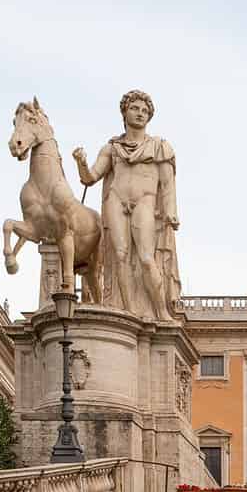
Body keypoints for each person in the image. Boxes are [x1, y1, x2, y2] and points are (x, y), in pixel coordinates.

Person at [73, 90, 180, 320]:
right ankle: (128, 313)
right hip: (116, 200)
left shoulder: (159, 146)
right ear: (125, 112)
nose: (140, 113)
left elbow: (167, 182)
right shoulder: (112, 147)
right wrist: (81, 163)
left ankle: (161, 312)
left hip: (145, 201)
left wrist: (171, 211)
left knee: (145, 257)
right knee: (118, 256)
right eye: (135, 108)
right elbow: (90, 178)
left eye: (144, 111)